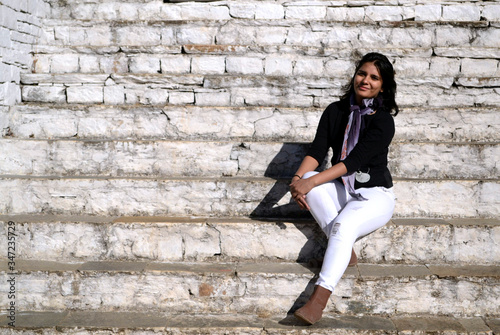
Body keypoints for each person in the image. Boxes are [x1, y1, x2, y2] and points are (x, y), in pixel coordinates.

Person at [289, 52, 399, 325]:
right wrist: (297, 179)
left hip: (374, 195)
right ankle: (344, 250)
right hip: (343, 189)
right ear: (354, 76)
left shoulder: (384, 120)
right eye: (362, 73)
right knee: (312, 177)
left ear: (383, 86)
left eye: (374, 77)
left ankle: (317, 300)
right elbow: (316, 151)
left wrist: (310, 182)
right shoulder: (335, 111)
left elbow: (354, 161)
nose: (366, 80)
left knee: (342, 226)